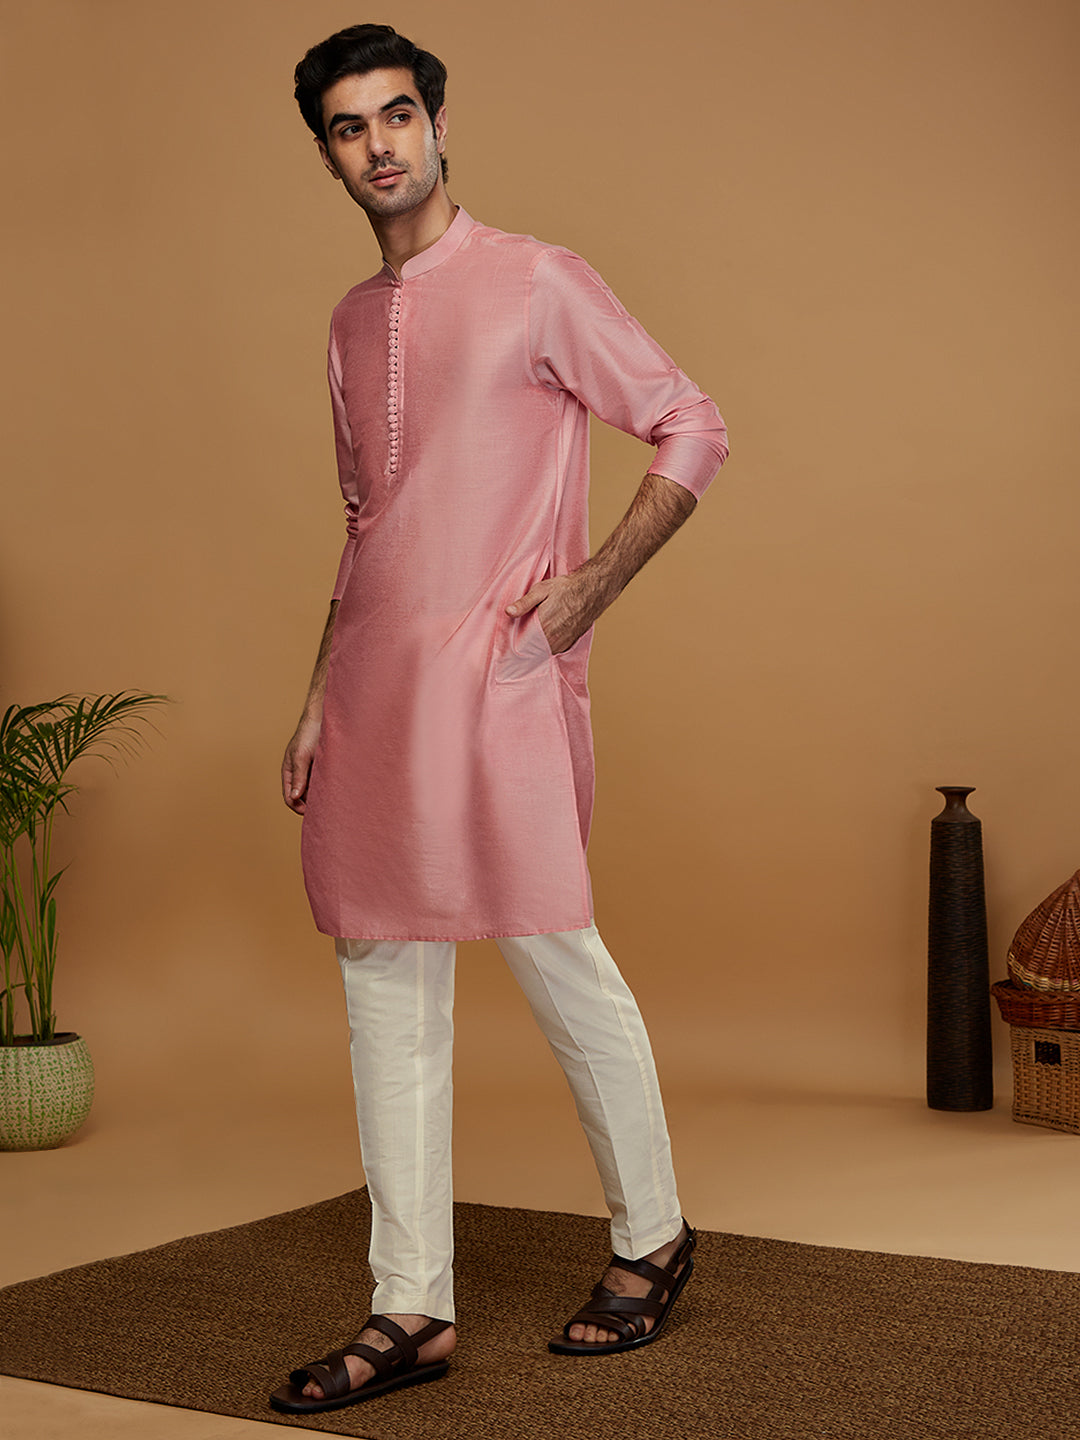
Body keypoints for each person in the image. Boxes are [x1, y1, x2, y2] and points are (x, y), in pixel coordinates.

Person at [269, 22, 728, 1416]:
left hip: (500, 680)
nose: (380, 145)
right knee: (382, 982)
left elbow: (693, 423)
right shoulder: (349, 324)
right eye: (350, 127)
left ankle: (654, 1234)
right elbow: (366, 523)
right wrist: (315, 700)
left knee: (555, 953)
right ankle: (411, 1303)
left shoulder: (538, 280)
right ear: (328, 154)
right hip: (374, 693)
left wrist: (587, 590)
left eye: (398, 114)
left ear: (437, 120)